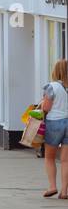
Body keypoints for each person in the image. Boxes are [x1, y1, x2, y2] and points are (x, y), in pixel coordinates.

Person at [40, 59, 68, 198]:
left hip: (54, 123)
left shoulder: (51, 87)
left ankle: (52, 186)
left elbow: (46, 107)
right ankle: (64, 191)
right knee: (66, 160)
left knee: (49, 157)